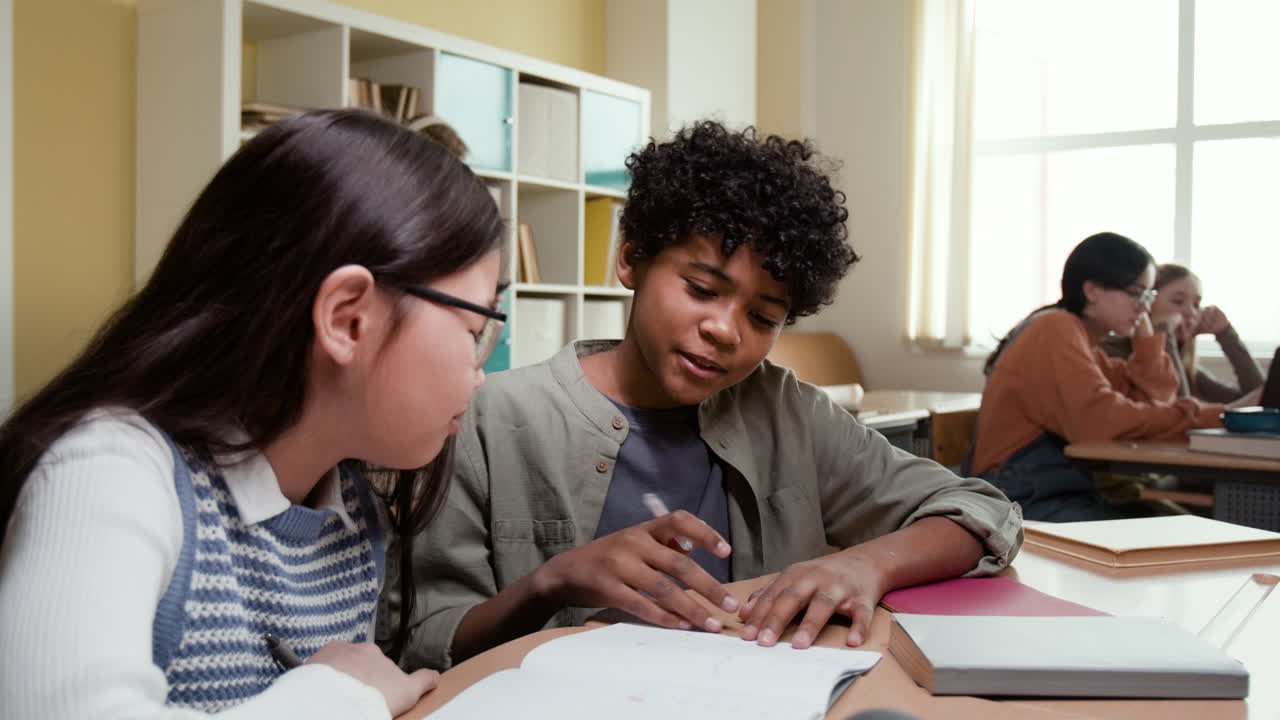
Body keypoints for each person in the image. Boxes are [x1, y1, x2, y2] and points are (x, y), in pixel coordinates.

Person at [382, 120, 1023, 672]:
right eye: (701, 288)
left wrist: (865, 565)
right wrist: (551, 583)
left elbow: (978, 509)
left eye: (763, 317)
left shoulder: (785, 409)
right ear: (631, 258)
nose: (725, 330)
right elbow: (423, 642)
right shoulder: (489, 420)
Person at [0, 110, 505, 718]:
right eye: (474, 328)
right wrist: (343, 697)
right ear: (348, 318)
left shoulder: (351, 512)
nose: (482, 370)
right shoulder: (114, 468)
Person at [970, 232, 1233, 523]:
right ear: (1093, 290)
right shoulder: (1054, 329)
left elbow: (1153, 400)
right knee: (1170, 537)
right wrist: (1212, 416)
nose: (1144, 307)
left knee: (1176, 529)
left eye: (1148, 297)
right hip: (1017, 498)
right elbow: (1102, 421)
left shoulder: (1086, 342)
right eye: (1137, 294)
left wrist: (1145, 337)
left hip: (1050, 490)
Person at [1101, 263, 1263, 404]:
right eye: (1178, 301)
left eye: (1196, 304)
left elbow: (1260, 401)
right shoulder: (1112, 354)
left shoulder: (1183, 364)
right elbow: (1177, 406)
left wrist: (1226, 334)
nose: (1190, 312)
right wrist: (1163, 331)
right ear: (1146, 303)